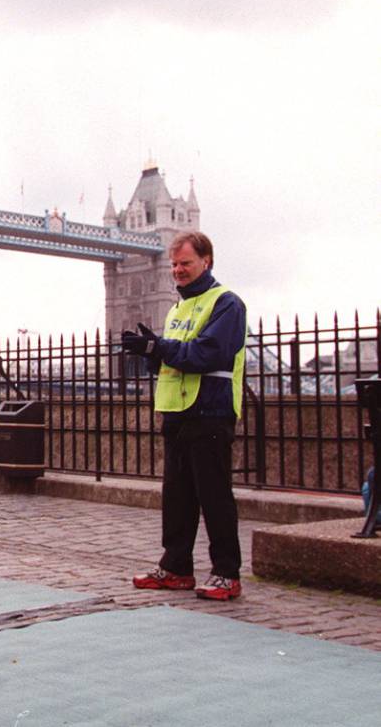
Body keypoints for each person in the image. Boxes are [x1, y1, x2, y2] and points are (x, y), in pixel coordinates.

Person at [122, 230, 247, 601]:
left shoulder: (227, 303)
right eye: (174, 264)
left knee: (214, 496)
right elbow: (174, 356)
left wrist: (159, 347)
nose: (177, 270)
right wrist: (151, 350)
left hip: (210, 409)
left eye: (185, 263)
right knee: (176, 496)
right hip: (176, 411)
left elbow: (209, 354)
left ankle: (227, 573)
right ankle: (176, 567)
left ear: (206, 261)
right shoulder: (176, 308)